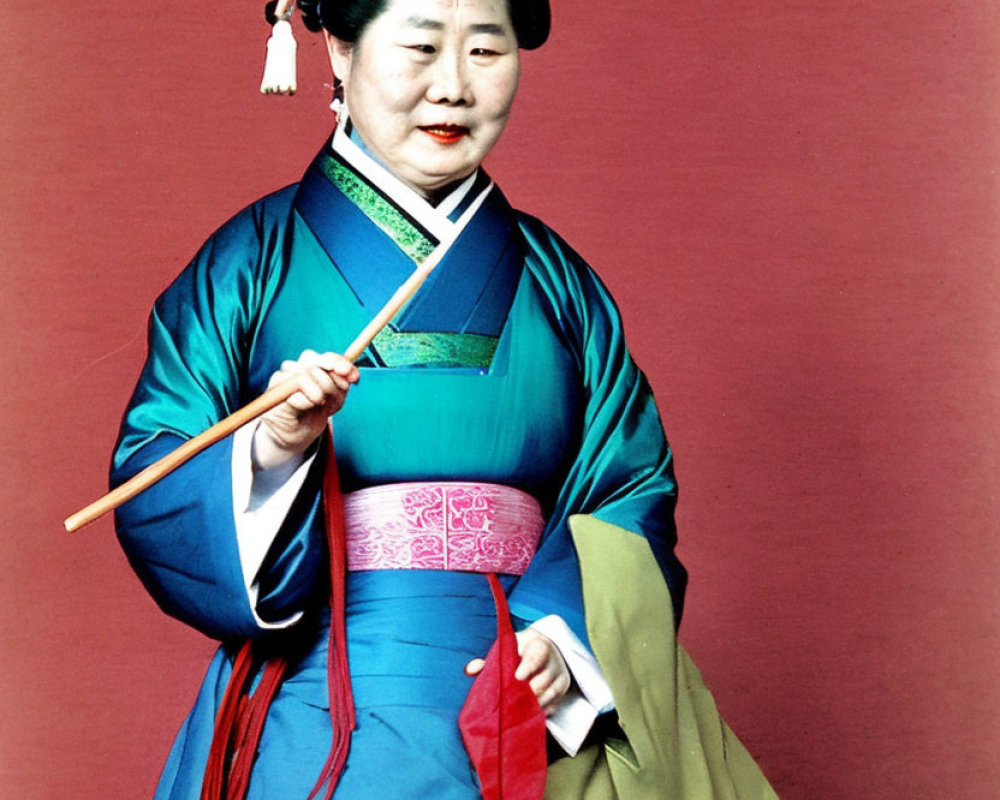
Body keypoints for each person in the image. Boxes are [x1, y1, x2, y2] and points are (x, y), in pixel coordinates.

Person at [111, 1, 780, 798]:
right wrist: (274, 447)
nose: (454, 87)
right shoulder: (248, 263)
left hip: (517, 688)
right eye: (421, 47)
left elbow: (629, 493)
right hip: (317, 702)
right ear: (338, 48)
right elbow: (154, 478)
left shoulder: (558, 283)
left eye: (485, 51)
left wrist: (562, 644)